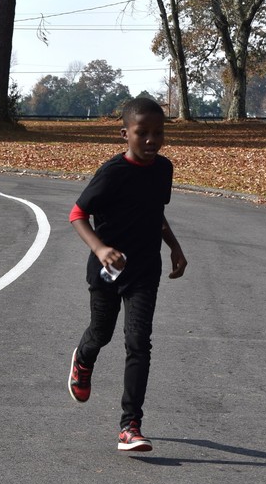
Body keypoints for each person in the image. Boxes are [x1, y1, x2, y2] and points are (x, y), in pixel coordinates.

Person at [68, 96, 187, 452]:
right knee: (101, 333)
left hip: (145, 270)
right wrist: (100, 249)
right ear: (125, 134)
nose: (151, 140)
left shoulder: (163, 169)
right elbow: (77, 214)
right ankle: (83, 360)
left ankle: (130, 425)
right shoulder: (112, 173)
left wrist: (175, 246)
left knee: (139, 343)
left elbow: (155, 213)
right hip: (108, 271)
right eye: (142, 132)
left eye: (158, 133)